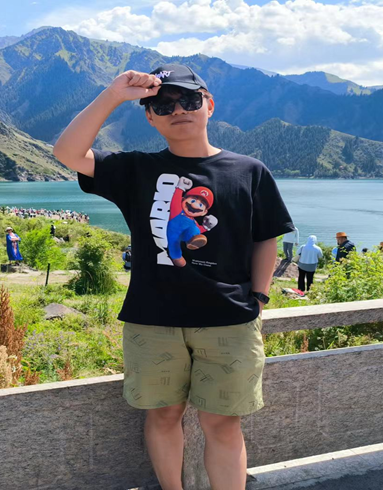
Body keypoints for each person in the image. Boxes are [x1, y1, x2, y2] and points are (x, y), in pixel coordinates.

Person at [52, 63, 294, 490]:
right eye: (163, 105)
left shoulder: (248, 171)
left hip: (229, 320)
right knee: (163, 415)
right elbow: (68, 152)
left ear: (209, 105)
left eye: (189, 100)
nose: (178, 109)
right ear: (150, 117)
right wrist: (113, 94)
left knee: (223, 423)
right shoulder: (136, 170)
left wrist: (258, 298)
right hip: (152, 320)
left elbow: (265, 239)